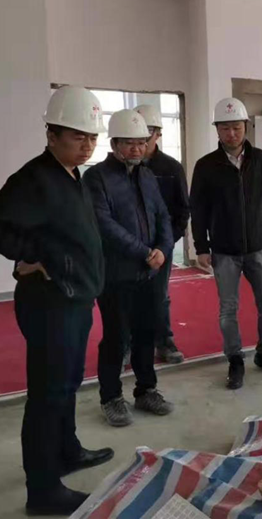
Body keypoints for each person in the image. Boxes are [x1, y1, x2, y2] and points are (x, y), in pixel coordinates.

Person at [0, 86, 114, 515]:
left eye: (92, 137)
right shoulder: (36, 178)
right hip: (51, 305)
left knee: (67, 384)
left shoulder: (71, 174)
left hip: (75, 298)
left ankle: (67, 450)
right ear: (51, 135)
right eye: (77, 136)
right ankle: (43, 490)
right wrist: (28, 255)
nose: (87, 145)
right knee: (48, 394)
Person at [189, 97, 262, 389]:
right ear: (217, 130)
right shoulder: (206, 166)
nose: (231, 134)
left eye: (236, 127)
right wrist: (201, 247)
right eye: (225, 128)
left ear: (246, 126)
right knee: (228, 310)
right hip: (224, 251)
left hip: (258, 246)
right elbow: (198, 209)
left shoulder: (261, 160)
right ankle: (235, 359)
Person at [84, 109, 175, 427]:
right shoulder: (96, 178)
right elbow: (103, 224)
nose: (137, 148)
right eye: (129, 143)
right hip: (116, 275)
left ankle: (146, 391)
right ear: (114, 144)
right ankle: (111, 398)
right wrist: (145, 252)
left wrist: (163, 249)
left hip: (149, 273)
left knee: (146, 334)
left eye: (141, 142)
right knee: (116, 338)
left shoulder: (147, 176)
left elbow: (163, 216)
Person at [136, 104, 190, 364]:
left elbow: (182, 210)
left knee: (159, 296)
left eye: (149, 131)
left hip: (161, 246)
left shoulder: (171, 168)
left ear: (158, 133)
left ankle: (164, 342)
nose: (142, 139)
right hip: (128, 247)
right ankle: (127, 344)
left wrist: (166, 245)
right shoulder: (117, 170)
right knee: (126, 297)